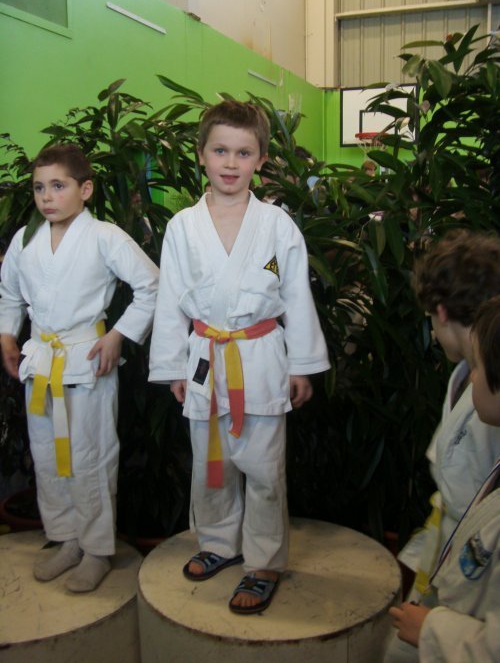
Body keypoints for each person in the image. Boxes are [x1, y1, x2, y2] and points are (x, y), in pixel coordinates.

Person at [149, 100, 330, 614]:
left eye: (244, 153)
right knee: (212, 463)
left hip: (261, 356)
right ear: (201, 154)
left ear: (261, 159)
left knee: (265, 468)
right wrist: (171, 366)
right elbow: (169, 299)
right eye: (220, 151)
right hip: (206, 356)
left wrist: (302, 364)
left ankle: (265, 561)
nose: (231, 163)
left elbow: (295, 295)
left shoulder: (276, 225)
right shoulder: (183, 226)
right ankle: (218, 542)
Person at [0, 144, 159, 592]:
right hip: (41, 361)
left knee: (91, 457)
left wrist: (118, 335)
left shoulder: (105, 236)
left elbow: (151, 284)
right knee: (48, 457)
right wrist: (8, 334)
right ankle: (66, 538)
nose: (47, 197)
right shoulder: (25, 239)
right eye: (39, 188)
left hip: (87, 360)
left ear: (84, 189)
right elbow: (9, 293)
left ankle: (96, 549)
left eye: (58, 186)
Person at [383, 230, 500, 660]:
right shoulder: (467, 376)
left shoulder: (490, 398)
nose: (433, 333)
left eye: (431, 320)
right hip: (452, 549)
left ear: (443, 311)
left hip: (478, 575)